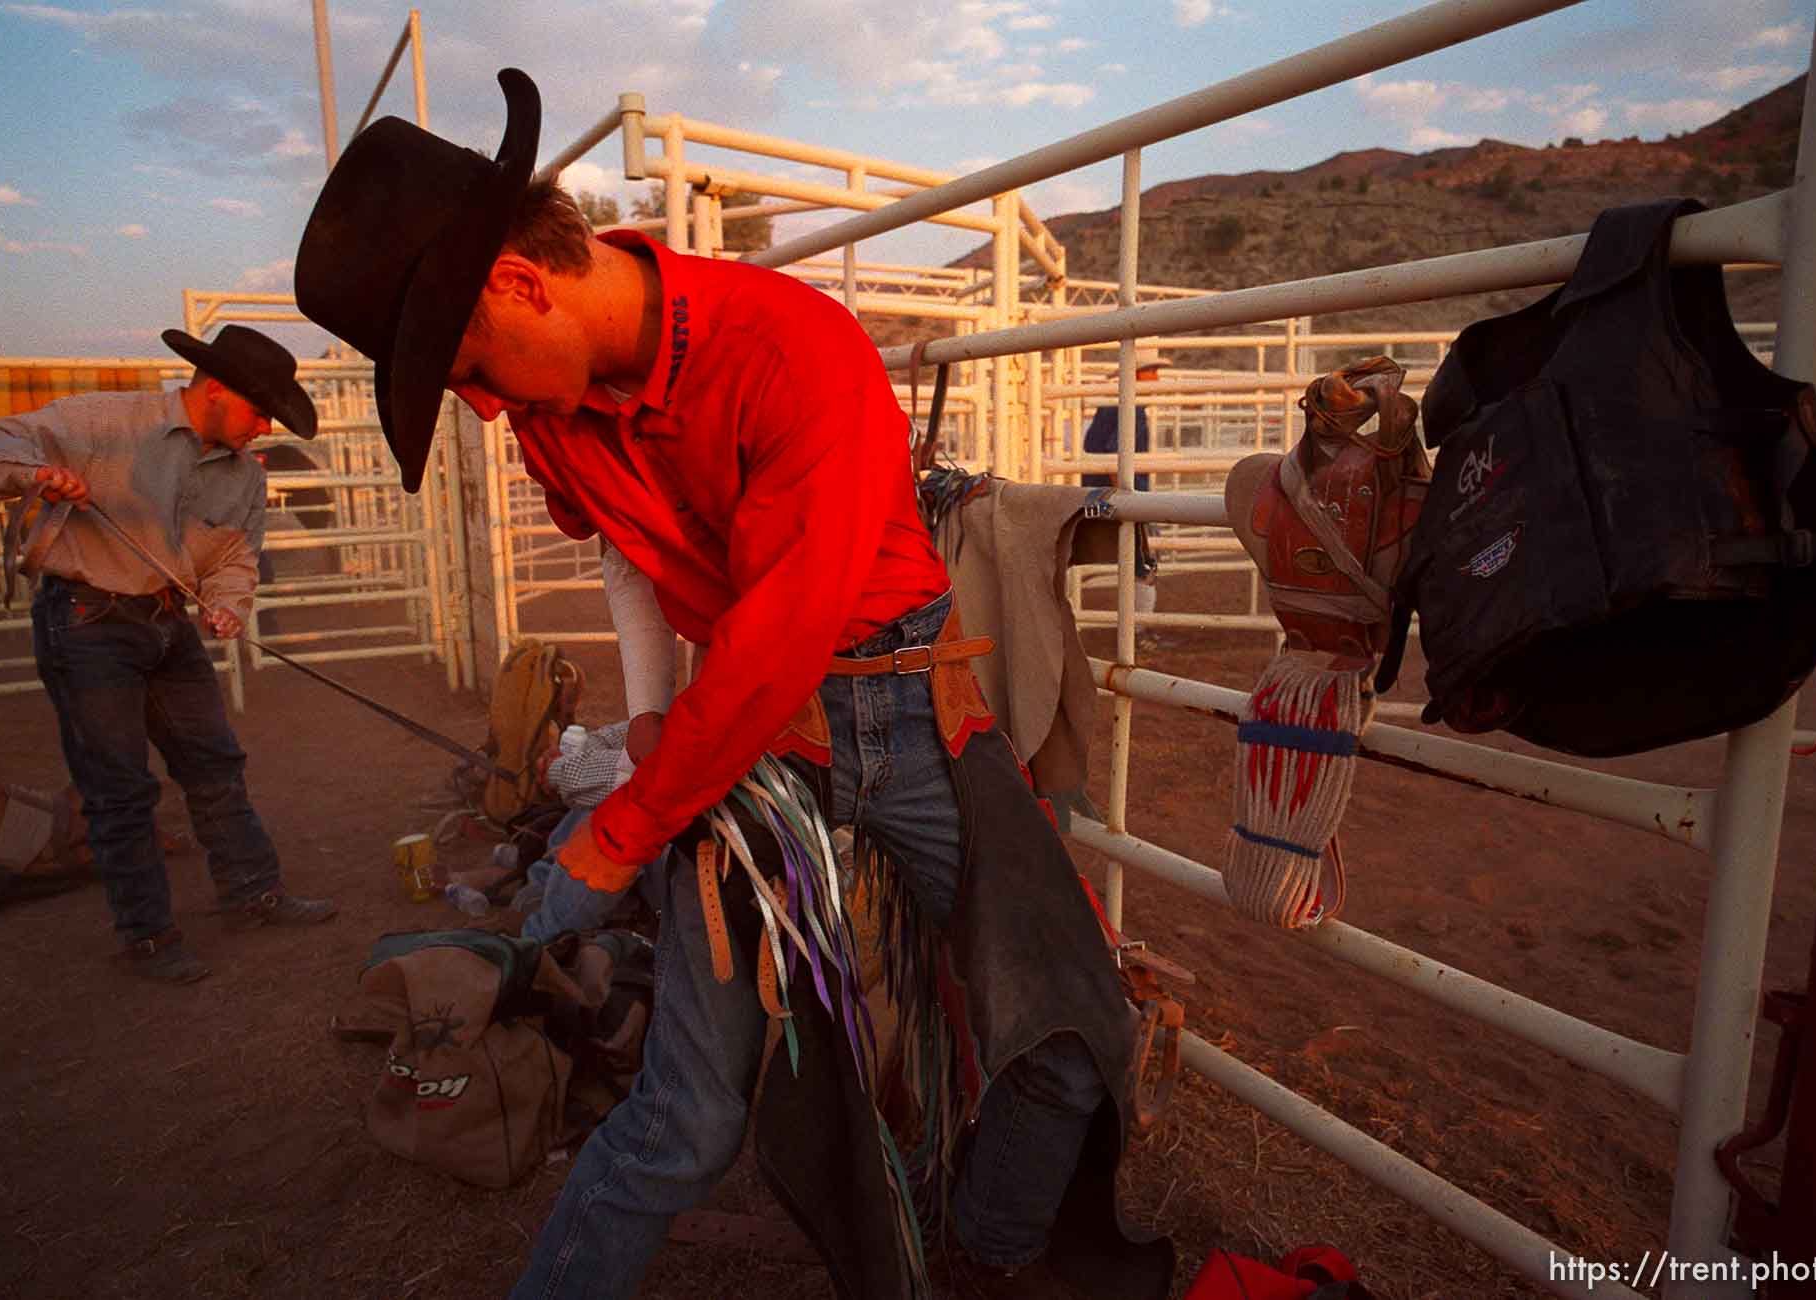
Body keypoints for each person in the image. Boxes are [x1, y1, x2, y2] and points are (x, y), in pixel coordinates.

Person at [294, 69, 1168, 1300]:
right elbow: (631, 558)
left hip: (903, 704)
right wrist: (653, 722)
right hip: (748, 736)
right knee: (685, 1117)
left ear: (518, 283)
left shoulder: (792, 350)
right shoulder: (556, 408)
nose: (485, 413)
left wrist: (621, 833)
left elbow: (778, 639)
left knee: (1071, 1030)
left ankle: (981, 1253)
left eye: (473, 370)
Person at [0, 325, 337, 984]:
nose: (266, 426)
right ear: (215, 390)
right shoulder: (102, 421)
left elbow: (239, 555)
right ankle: (149, 936)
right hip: (87, 620)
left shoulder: (241, 478)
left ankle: (253, 892)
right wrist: (37, 474)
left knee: (214, 762)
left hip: (166, 620)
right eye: (259, 408)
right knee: (120, 789)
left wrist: (227, 605)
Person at [1079, 348, 1164, 618]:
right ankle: (1139, 628)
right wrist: (1128, 497)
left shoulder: (1112, 404)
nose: (1158, 379)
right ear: (1137, 375)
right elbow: (1116, 453)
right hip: (1121, 496)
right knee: (1144, 558)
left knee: (1136, 557)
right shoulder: (1130, 408)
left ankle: (1137, 625)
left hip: (1101, 495)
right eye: (1153, 372)